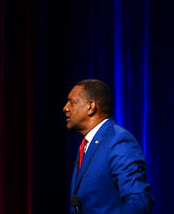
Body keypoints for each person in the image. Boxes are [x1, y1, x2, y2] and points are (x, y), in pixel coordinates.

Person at [62, 79, 154, 214]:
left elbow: (139, 199)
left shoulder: (118, 141)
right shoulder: (87, 145)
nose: (65, 108)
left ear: (91, 106)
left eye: (72, 102)